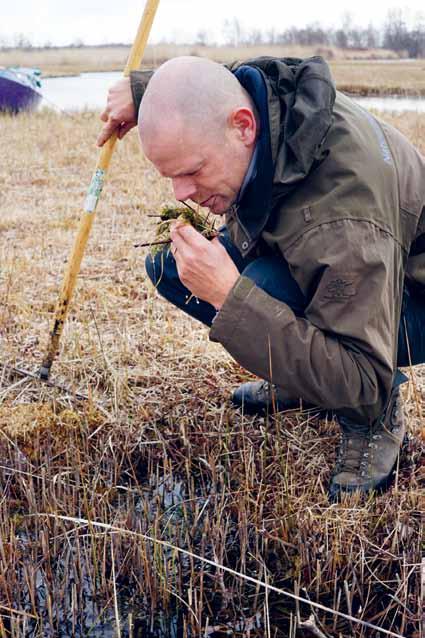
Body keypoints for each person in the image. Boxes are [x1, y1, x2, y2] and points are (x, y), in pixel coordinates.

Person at [98, 55, 425, 498]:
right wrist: (145, 91)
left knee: (260, 292)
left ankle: (373, 417)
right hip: (337, 255)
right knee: (172, 267)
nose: (182, 194)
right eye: (172, 177)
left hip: (407, 299)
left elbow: (363, 373)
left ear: (244, 127)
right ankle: (307, 378)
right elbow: (220, 81)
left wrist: (229, 295)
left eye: (192, 171)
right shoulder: (268, 99)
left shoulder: (342, 220)